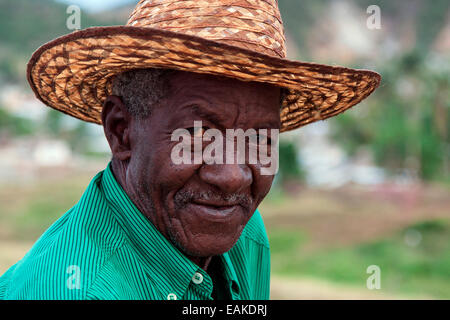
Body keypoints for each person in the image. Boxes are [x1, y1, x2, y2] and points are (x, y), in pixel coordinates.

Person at [0, 0, 380, 300]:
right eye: (198, 135)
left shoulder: (241, 236)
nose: (232, 177)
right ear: (121, 132)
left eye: (259, 139)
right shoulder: (77, 291)